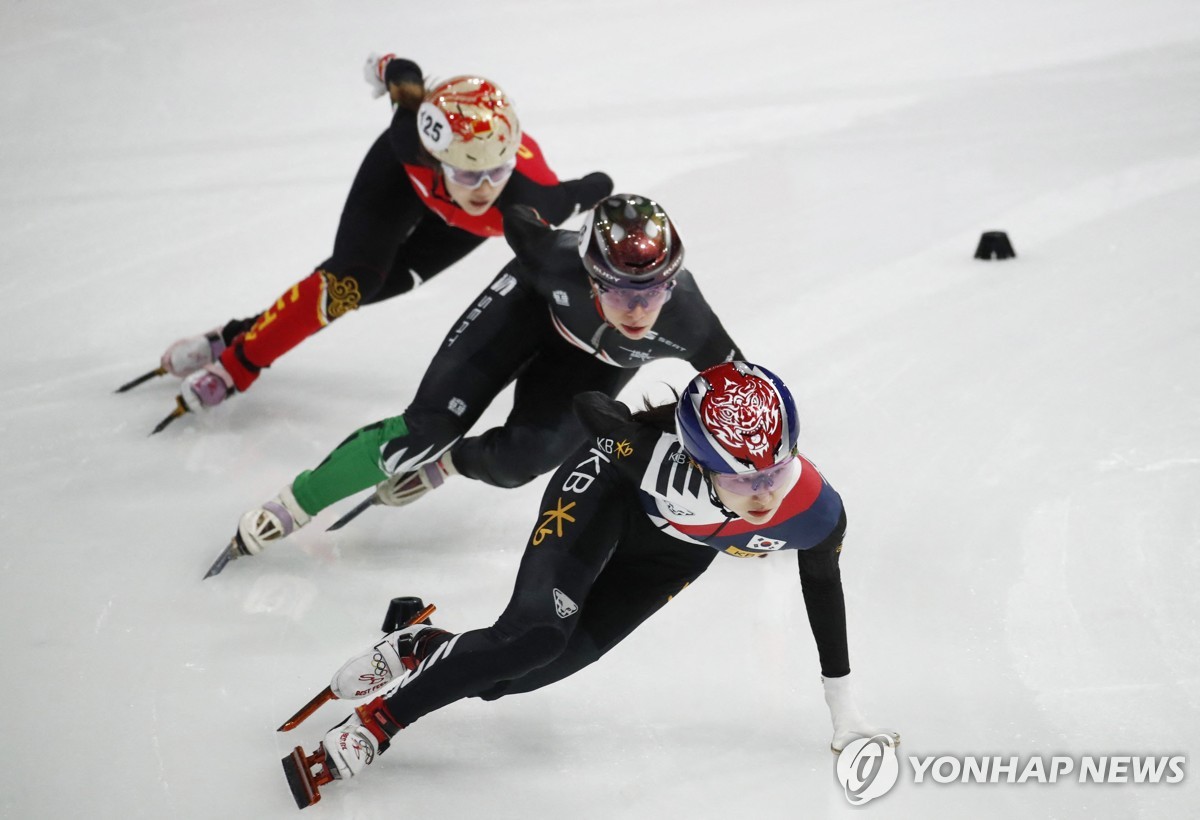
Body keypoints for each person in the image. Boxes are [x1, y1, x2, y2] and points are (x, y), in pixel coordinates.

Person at [295, 361, 897, 794]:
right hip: (605, 495)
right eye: (741, 480)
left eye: (774, 472)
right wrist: (631, 441)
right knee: (533, 637)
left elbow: (822, 587)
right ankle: (380, 722)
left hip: (672, 554)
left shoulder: (815, 510)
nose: (764, 495)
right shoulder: (658, 460)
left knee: (514, 678)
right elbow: (590, 406)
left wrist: (843, 709)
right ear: (696, 458)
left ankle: (423, 646)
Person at [219, 194, 743, 565]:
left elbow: (746, 398)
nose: (639, 308)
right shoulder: (551, 258)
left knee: (522, 463)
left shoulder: (689, 320)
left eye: (654, 291)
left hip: (590, 364)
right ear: (588, 275)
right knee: (421, 431)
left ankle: (447, 464)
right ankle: (297, 501)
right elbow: (519, 210)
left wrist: (762, 490)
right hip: (523, 312)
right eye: (622, 291)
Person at [150, 54, 612, 413]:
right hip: (398, 182)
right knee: (350, 282)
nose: (485, 189)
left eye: (498, 172)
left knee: (367, 291)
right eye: (469, 176)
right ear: (435, 156)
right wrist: (383, 64)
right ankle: (238, 364)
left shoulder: (531, 203)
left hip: (460, 227)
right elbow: (403, 74)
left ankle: (234, 334)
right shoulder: (410, 139)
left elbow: (592, 188)